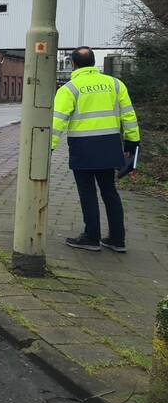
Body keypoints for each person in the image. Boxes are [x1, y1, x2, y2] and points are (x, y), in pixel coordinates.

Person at [51, 46, 140, 253]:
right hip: (109, 146)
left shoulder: (69, 89)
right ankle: (118, 239)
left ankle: (91, 237)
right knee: (110, 191)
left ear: (73, 64)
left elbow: (57, 122)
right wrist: (132, 144)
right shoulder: (115, 84)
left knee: (87, 192)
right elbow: (128, 115)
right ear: (92, 62)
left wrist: (49, 149)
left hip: (83, 148)